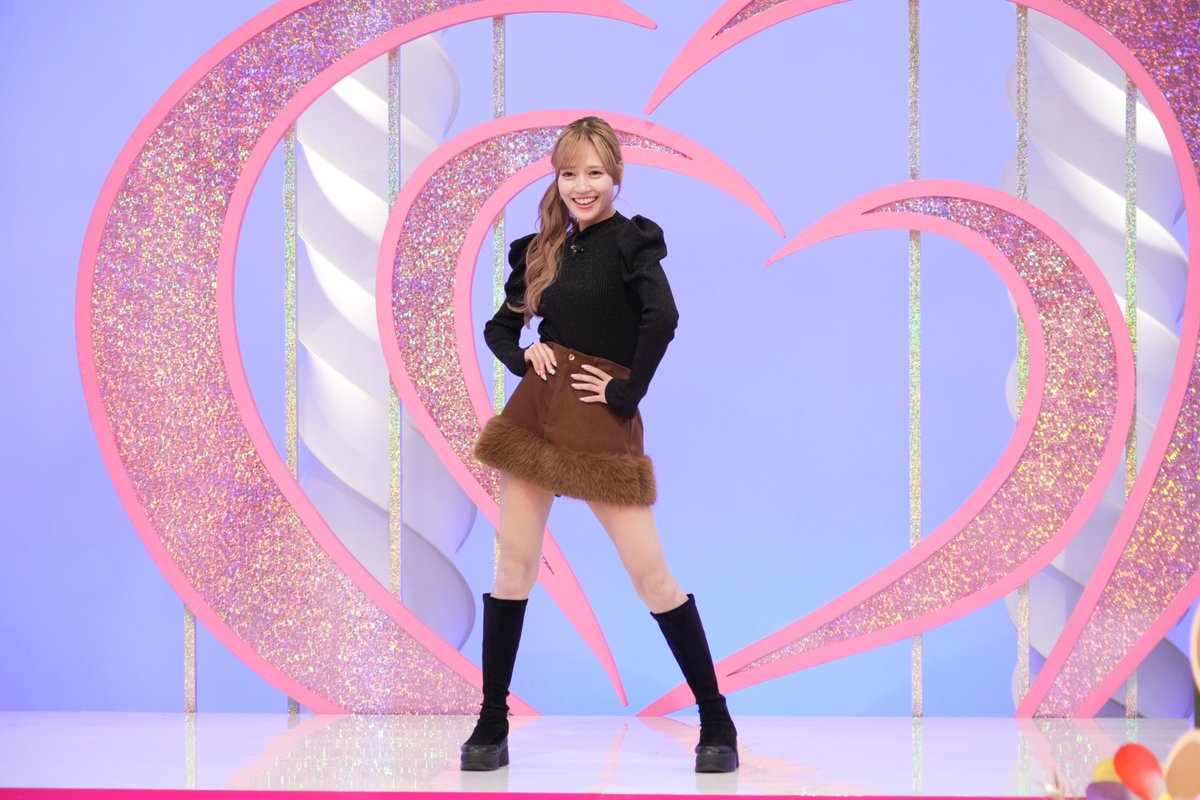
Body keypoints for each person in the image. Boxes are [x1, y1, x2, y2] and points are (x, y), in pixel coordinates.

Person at [462, 116, 738, 774]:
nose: (581, 186)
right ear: (556, 178)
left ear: (615, 175)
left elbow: (662, 317)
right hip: (535, 415)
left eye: (594, 172)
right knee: (513, 568)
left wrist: (626, 391)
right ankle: (492, 720)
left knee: (651, 576)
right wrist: (525, 355)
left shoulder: (630, 243)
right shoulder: (542, 248)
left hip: (597, 418)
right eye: (569, 173)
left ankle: (716, 717)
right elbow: (499, 326)